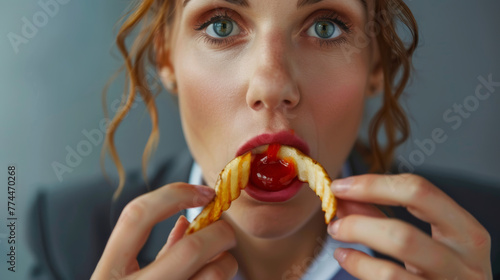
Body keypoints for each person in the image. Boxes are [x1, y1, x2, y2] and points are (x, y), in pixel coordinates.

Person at [26, 0, 498, 279]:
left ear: (376, 66)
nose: (273, 86)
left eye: (326, 26)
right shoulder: (66, 240)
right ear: (165, 56)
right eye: (222, 25)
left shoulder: (484, 237)